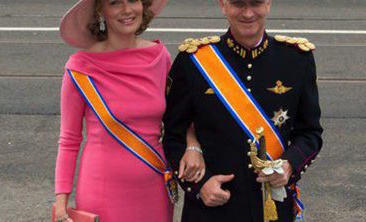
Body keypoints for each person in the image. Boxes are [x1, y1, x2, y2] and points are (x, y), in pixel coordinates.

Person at [163, 0, 323, 221]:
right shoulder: (194, 60)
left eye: (256, 3)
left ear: (268, 4)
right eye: (238, 4)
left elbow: (310, 133)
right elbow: (172, 132)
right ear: (223, 5)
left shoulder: (297, 59)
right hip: (211, 207)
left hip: (273, 207)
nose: (248, 13)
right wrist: (199, 185)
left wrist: (289, 165)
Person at [54, 0, 205, 221]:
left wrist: (193, 145)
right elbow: (69, 140)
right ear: (100, 11)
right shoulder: (80, 68)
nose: (127, 10)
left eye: (133, 0)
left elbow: (179, 117)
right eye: (115, 3)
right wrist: (61, 205)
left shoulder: (159, 56)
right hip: (101, 192)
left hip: (154, 187)